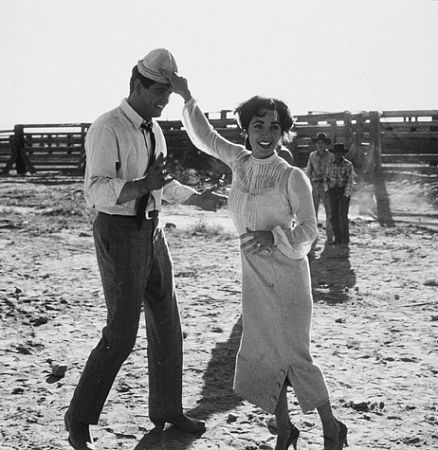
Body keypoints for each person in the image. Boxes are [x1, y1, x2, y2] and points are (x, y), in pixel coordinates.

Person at [168, 72, 348, 450]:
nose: (265, 133)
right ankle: (285, 429)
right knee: (263, 353)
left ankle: (332, 427)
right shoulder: (239, 160)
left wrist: (274, 236)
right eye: (257, 125)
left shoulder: (292, 176)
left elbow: (310, 230)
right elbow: (205, 137)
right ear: (246, 130)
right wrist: (186, 96)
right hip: (253, 276)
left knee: (294, 354)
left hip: (287, 275)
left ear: (283, 134)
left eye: (273, 127)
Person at [64, 49, 225, 450]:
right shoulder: (107, 127)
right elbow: (96, 190)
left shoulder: (153, 130)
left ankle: (168, 411)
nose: (163, 101)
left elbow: (162, 183)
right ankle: (78, 419)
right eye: (158, 91)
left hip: (153, 233)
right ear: (136, 85)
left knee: (168, 325)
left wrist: (195, 199)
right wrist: (140, 185)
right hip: (118, 233)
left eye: (169, 94)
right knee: (121, 335)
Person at [324, 143, 354, 248]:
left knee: (343, 217)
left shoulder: (348, 165)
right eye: (336, 153)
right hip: (333, 192)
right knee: (334, 217)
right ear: (333, 154)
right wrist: (327, 190)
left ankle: (344, 240)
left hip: (343, 192)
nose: (338, 155)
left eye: (340, 153)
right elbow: (326, 178)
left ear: (343, 154)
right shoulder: (329, 164)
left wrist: (346, 195)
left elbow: (350, 180)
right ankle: (337, 239)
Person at [306, 132, 334, 244]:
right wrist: (309, 185)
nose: (320, 145)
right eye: (318, 143)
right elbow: (309, 171)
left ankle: (330, 236)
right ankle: (314, 235)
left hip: (327, 185)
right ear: (316, 144)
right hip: (315, 185)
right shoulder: (312, 156)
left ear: (325, 144)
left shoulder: (331, 156)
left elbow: (334, 170)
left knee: (329, 212)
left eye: (322, 143)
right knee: (313, 212)